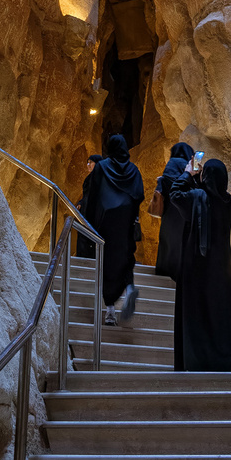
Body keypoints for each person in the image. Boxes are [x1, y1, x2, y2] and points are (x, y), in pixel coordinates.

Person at [170, 157, 231, 371]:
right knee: (219, 314)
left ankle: (197, 359)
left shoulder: (197, 197)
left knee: (197, 314)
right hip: (221, 270)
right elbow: (208, 195)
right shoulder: (228, 202)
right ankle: (222, 360)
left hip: (197, 268)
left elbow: (175, 194)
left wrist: (187, 174)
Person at [81, 134, 144, 326]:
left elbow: (93, 195)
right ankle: (130, 286)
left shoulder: (102, 166)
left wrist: (88, 221)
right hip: (126, 221)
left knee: (107, 263)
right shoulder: (134, 169)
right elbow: (139, 194)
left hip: (106, 221)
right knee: (126, 257)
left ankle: (110, 310)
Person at [154, 140, 194, 280]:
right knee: (182, 240)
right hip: (186, 210)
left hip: (172, 210)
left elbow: (169, 182)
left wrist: (161, 180)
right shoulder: (189, 166)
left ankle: (165, 270)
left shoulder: (174, 162)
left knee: (169, 239)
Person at [75, 153, 103, 259]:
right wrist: (81, 203)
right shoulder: (90, 178)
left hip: (95, 212)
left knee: (91, 235)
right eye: (88, 162)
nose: (88, 165)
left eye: (91, 162)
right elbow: (86, 195)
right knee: (85, 234)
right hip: (87, 211)